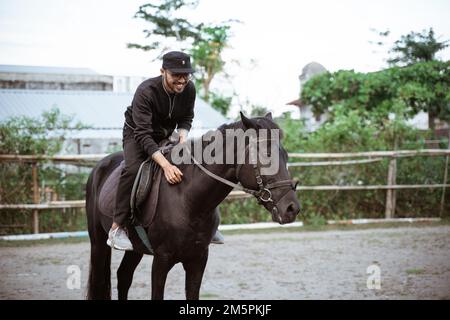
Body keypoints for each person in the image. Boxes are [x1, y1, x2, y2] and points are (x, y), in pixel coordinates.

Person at [108, 51, 224, 251]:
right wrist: (166, 165)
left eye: (185, 75)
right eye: (176, 75)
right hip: (137, 134)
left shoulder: (189, 89)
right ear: (163, 71)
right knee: (134, 169)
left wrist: (183, 136)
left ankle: (206, 225)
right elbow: (143, 135)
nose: (181, 80)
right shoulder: (146, 91)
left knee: (192, 164)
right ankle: (117, 227)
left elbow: (187, 116)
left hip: (166, 134)